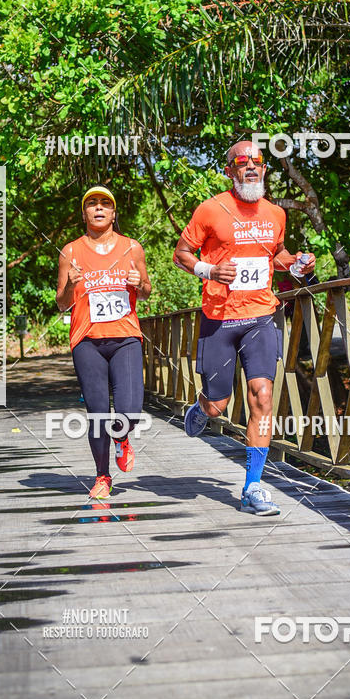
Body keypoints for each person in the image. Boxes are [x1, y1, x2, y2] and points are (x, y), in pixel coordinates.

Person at [173, 141, 315, 516]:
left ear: (265, 170)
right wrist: (208, 270)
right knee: (219, 405)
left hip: (260, 316)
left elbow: (277, 255)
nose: (251, 167)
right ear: (229, 171)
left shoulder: (275, 214)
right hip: (219, 318)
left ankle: (253, 486)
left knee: (262, 396)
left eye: (257, 162)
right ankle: (202, 408)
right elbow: (181, 254)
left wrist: (297, 264)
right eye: (241, 162)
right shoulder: (210, 209)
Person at [56, 186, 151, 499]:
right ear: (84, 213)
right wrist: (70, 286)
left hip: (125, 338)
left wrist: (141, 284)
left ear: (114, 213)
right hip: (87, 341)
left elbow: (147, 289)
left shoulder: (132, 248)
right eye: (92, 204)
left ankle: (122, 438)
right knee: (97, 412)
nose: (98, 208)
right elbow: (61, 304)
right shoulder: (70, 252)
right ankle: (102, 477)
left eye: (105, 204)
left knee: (130, 410)